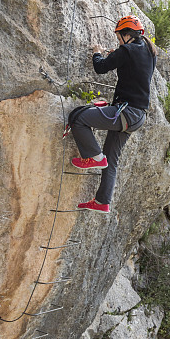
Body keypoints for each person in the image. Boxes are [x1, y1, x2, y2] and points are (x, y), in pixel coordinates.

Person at [69, 15, 157, 213]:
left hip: (126, 112)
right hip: (138, 116)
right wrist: (117, 54)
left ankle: (93, 155)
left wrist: (97, 53)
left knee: (78, 117)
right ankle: (102, 202)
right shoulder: (150, 51)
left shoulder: (126, 50)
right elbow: (135, 70)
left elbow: (100, 68)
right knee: (111, 159)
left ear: (126, 35)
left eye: (119, 37)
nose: (118, 40)